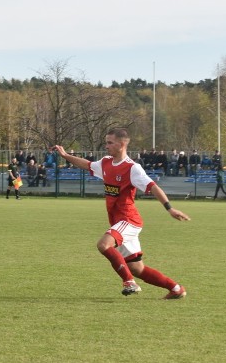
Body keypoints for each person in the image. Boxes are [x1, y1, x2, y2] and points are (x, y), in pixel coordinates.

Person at [53, 128, 190, 299]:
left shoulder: (132, 168)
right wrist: (65, 156)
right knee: (136, 268)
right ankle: (176, 289)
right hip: (118, 222)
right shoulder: (105, 163)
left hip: (129, 220)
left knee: (104, 245)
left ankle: (129, 283)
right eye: (106, 142)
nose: (106, 145)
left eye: (110, 142)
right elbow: (86, 164)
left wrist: (169, 208)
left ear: (122, 144)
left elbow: (153, 186)